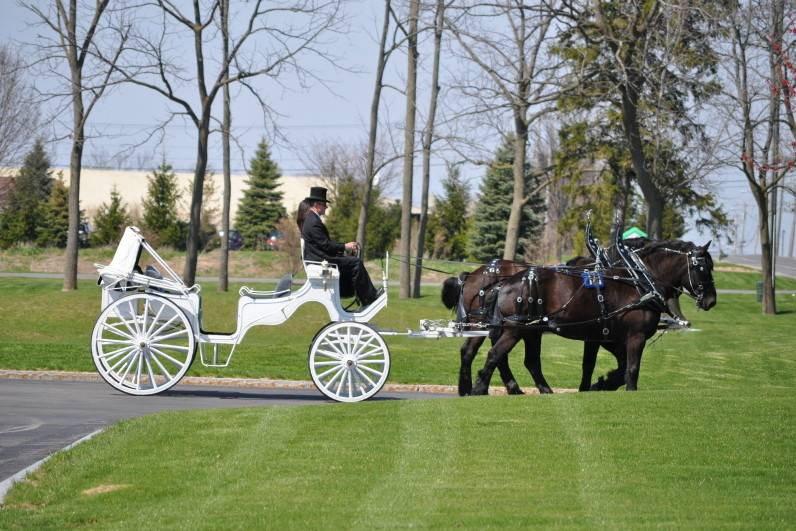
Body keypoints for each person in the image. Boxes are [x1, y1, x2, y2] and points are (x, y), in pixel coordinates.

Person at [300, 187, 381, 306]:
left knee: (350, 261)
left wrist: (341, 250)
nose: (326, 207)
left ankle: (362, 296)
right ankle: (369, 297)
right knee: (355, 263)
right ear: (317, 205)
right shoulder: (313, 222)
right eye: (324, 205)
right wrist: (345, 246)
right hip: (321, 260)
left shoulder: (312, 219)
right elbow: (326, 245)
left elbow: (324, 244)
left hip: (320, 257)